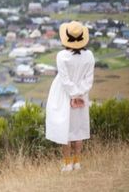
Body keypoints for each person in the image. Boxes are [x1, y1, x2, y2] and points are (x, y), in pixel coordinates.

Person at [45, 20, 95, 172]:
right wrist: (79, 93)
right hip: (82, 95)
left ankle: (67, 164)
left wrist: (72, 94)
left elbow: (65, 79)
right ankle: (77, 162)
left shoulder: (62, 56)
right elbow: (89, 79)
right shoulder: (89, 55)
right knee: (78, 129)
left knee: (64, 129)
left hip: (64, 94)